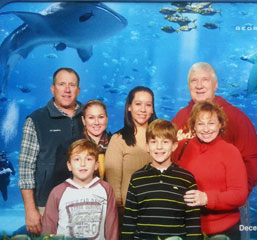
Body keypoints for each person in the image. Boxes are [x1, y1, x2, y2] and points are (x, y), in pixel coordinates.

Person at [172, 62, 257, 194]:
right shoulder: (180, 117)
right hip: (185, 201)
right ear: (189, 86)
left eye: (205, 80)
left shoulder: (235, 117)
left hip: (225, 202)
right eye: (194, 81)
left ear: (215, 85)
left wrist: (237, 191)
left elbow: (254, 158)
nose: (199, 86)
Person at [18, 67, 83, 235]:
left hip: (83, 201)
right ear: (53, 88)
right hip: (45, 203)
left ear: (78, 90)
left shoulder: (90, 117)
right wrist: (30, 210)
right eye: (62, 84)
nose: (67, 90)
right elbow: (26, 169)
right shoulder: (36, 120)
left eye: (72, 85)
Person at [173, 102, 248, 239]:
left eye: (211, 123)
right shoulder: (180, 147)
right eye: (200, 124)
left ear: (220, 124)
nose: (206, 129)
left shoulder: (231, 152)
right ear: (193, 126)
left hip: (223, 231)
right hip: (186, 228)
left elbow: (240, 195)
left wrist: (206, 198)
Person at [121, 119, 202, 239]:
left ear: (174, 145)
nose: (159, 147)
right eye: (154, 142)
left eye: (165, 142)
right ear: (147, 146)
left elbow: (193, 222)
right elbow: (129, 220)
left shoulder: (186, 179)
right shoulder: (137, 178)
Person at [42, 139, 118, 240]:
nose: (83, 164)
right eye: (77, 159)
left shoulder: (106, 189)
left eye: (88, 159)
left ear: (96, 165)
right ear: (69, 165)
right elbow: (48, 228)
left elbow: (111, 227)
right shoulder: (57, 192)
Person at [105, 86, 157, 223]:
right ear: (129, 107)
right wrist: (121, 213)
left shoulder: (160, 139)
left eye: (148, 105)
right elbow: (113, 184)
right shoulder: (118, 139)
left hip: (158, 211)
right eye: (138, 104)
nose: (143, 109)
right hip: (129, 214)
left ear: (152, 109)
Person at [52, 99, 111, 187]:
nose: (96, 122)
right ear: (83, 120)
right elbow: (59, 180)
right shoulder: (69, 146)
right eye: (91, 117)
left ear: (107, 118)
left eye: (101, 117)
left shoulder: (117, 142)